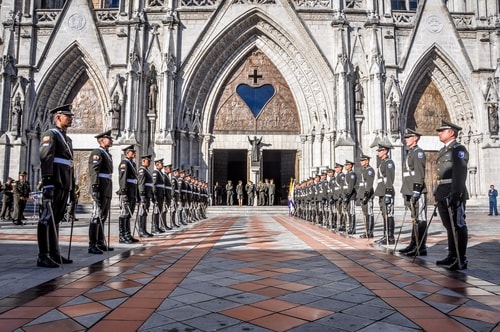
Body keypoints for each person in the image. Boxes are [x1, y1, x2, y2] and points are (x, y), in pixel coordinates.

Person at [38, 104, 75, 268]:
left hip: (64, 182)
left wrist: (72, 188)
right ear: (57, 117)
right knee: (46, 218)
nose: (71, 118)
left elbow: (69, 164)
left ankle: (54, 252)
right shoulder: (50, 135)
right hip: (54, 182)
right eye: (68, 115)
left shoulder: (66, 139)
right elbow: (46, 159)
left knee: (56, 218)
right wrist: (47, 183)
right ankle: (43, 255)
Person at [435, 120, 469, 270]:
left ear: (451, 133)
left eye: (442, 130)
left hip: (454, 192)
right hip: (443, 191)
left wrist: (456, 192)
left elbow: (460, 172)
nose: (439, 133)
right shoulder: (443, 151)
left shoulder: (458, 149)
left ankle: (461, 258)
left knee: (458, 225)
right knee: (449, 226)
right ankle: (452, 255)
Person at [399, 129, 428, 256]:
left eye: (408, 137)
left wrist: (416, 189)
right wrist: (406, 190)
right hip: (409, 189)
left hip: (418, 191)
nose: (406, 139)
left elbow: (419, 173)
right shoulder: (410, 153)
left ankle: (420, 247)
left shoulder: (418, 153)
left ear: (415, 138)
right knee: (414, 219)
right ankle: (413, 244)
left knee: (420, 218)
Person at [88, 130, 114, 255]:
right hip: (100, 187)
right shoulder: (97, 152)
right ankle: (92, 244)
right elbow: (94, 171)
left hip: (106, 186)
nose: (112, 140)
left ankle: (100, 242)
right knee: (96, 216)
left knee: (102, 216)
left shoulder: (107, 153)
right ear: (102, 140)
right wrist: (95, 188)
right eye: (109, 138)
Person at [374, 143, 396, 245]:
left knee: (388, 214)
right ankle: (385, 235)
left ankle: (390, 237)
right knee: (384, 214)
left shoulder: (389, 163)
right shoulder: (382, 163)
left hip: (387, 192)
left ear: (386, 151)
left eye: (380, 151)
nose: (378, 152)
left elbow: (390, 179)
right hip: (381, 191)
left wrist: (388, 193)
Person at [117, 145, 140, 244]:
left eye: (134, 152)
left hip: (133, 192)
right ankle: (122, 236)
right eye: (132, 152)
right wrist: (124, 193)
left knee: (129, 214)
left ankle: (128, 234)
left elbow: (135, 181)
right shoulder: (124, 163)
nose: (134, 154)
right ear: (127, 153)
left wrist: (137, 195)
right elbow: (123, 179)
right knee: (124, 214)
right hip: (127, 192)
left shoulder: (133, 164)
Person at [357, 155, 375, 238]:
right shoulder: (364, 170)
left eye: (363, 160)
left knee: (369, 213)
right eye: (361, 161)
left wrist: (366, 195)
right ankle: (366, 231)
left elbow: (369, 184)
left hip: (368, 196)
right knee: (365, 214)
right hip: (363, 194)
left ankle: (370, 232)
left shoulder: (369, 170)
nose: (361, 162)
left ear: (367, 161)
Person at [137, 155, 154, 237]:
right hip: (144, 194)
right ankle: (141, 230)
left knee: (145, 212)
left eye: (150, 161)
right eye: (148, 161)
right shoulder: (142, 170)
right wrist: (142, 195)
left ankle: (144, 229)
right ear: (143, 161)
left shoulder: (146, 170)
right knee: (142, 212)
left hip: (148, 194)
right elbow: (141, 183)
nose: (149, 162)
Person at [152, 158, 166, 234]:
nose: (163, 165)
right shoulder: (155, 172)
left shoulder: (160, 173)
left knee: (159, 211)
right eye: (161, 164)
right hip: (157, 195)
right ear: (157, 165)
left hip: (161, 195)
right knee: (156, 211)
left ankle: (157, 226)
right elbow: (154, 184)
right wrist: (154, 195)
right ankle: (154, 227)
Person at [343, 160, 357, 234]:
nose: (345, 166)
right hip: (347, 196)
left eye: (347, 165)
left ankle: (353, 228)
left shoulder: (352, 174)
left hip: (351, 196)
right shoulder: (347, 174)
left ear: (351, 166)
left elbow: (351, 186)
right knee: (349, 212)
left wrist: (347, 195)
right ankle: (350, 227)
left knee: (352, 212)